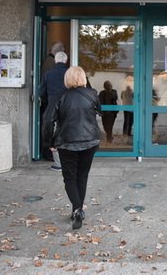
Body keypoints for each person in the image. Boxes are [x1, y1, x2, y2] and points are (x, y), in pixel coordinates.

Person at [52, 66, 102, 230]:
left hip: (67, 142)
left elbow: (48, 120)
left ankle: (77, 209)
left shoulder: (60, 96)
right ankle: (77, 210)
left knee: (69, 178)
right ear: (83, 78)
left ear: (67, 79)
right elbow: (99, 111)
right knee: (82, 176)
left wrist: (49, 142)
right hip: (90, 141)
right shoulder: (92, 94)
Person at [39, 51, 68, 170]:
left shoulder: (48, 74)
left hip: (53, 107)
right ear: (66, 61)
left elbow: (41, 92)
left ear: (55, 60)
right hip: (68, 107)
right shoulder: (69, 73)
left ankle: (56, 161)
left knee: (53, 132)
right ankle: (67, 159)